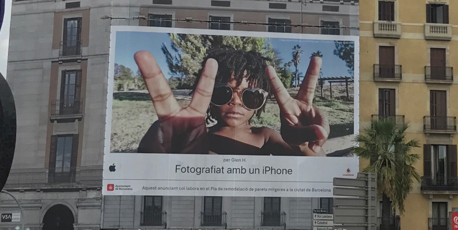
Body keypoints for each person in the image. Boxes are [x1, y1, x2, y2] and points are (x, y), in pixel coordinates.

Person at [135, 47, 329, 156]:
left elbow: (316, 168)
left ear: (261, 101)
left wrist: (303, 144)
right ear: (209, 94)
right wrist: (158, 150)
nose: (236, 101)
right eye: (223, 92)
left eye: (250, 96)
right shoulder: (193, 137)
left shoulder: (264, 136)